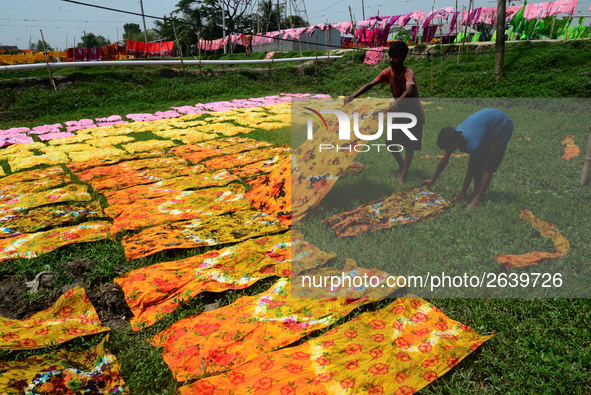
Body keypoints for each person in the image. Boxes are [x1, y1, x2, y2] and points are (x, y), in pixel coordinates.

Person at [344, 41, 425, 185]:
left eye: (395, 57)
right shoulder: (388, 72)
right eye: (391, 57)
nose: (392, 60)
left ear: (403, 58)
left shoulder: (408, 73)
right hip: (400, 113)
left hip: (413, 114)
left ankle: (403, 176)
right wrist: (353, 96)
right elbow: (370, 84)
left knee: (408, 145)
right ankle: (402, 167)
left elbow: (409, 90)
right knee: (390, 142)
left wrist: (397, 102)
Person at [421, 108, 514, 209]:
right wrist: (432, 179)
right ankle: (475, 192)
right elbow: (445, 158)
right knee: (478, 161)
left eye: (448, 149)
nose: (447, 151)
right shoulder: (454, 135)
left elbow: (470, 171)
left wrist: (463, 192)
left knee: (488, 165)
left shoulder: (473, 144)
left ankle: (478, 198)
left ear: (457, 141)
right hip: (489, 122)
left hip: (503, 125)